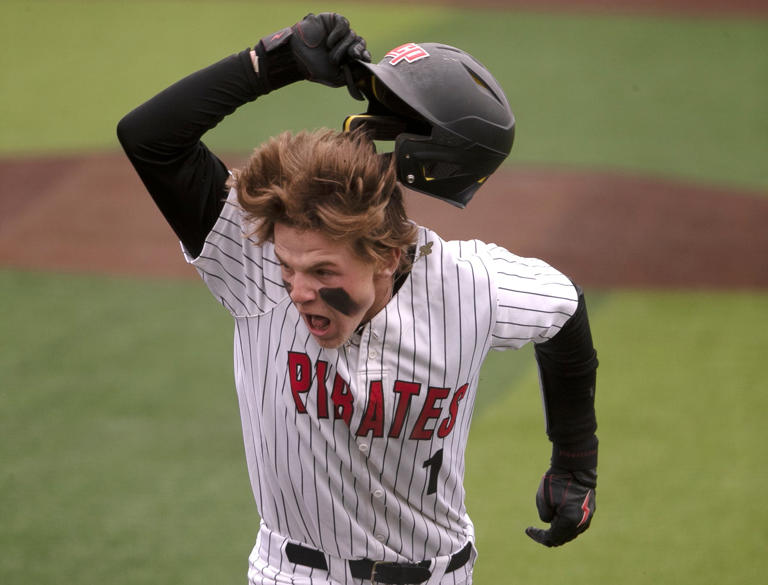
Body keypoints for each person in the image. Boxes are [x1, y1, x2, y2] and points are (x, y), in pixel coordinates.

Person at [117, 12, 599, 585]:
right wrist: (274, 63)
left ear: (388, 256)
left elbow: (563, 308)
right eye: (289, 266)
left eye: (324, 271)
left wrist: (576, 462)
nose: (298, 291)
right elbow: (150, 139)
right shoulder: (252, 266)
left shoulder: (471, 283)